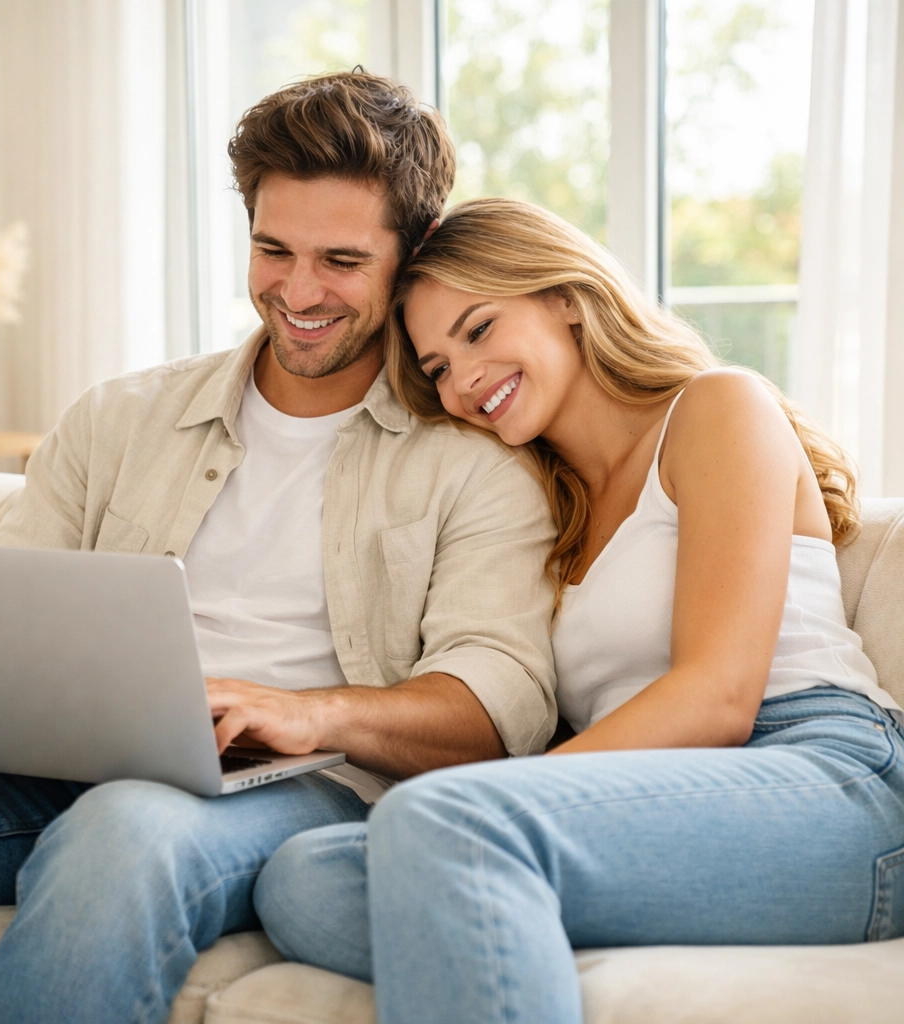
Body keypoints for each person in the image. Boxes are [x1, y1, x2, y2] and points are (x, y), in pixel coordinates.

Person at [0, 81, 560, 1024]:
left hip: (307, 789)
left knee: (126, 833)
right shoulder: (120, 418)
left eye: (343, 260)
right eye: (273, 249)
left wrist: (305, 713)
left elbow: (500, 704)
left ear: (413, 255)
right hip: (65, 764)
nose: (300, 290)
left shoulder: (475, 461)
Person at [253, 197, 904, 1024]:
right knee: (300, 878)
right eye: (440, 367)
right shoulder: (540, 511)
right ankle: (504, 929)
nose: (464, 379)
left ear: (564, 296)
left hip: (829, 775)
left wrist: (492, 807)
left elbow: (719, 697)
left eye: (479, 330)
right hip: (655, 800)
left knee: (436, 827)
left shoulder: (717, 408)